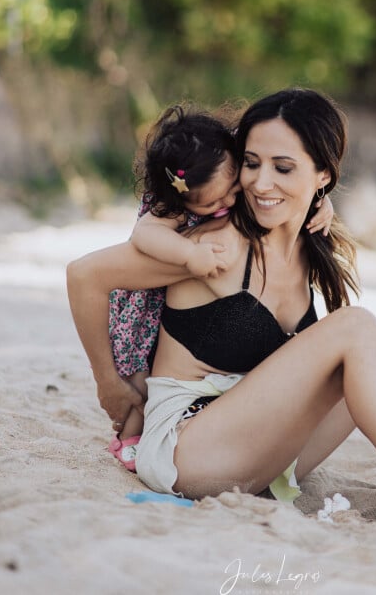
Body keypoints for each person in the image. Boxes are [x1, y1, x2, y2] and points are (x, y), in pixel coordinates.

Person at [67, 88, 376, 554]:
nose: (262, 184)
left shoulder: (308, 238)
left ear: (322, 175)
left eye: (284, 168)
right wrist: (108, 384)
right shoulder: (212, 247)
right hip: (189, 452)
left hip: (266, 453)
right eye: (252, 164)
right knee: (356, 326)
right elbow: (84, 276)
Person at [102, 103, 333, 469]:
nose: (253, 185)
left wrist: (321, 200)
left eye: (283, 168)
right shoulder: (197, 225)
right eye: (253, 164)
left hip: (243, 433)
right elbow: (96, 265)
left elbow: (285, 187)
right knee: (139, 379)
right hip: (188, 440)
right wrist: (188, 255)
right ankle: (130, 439)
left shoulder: (255, 204)